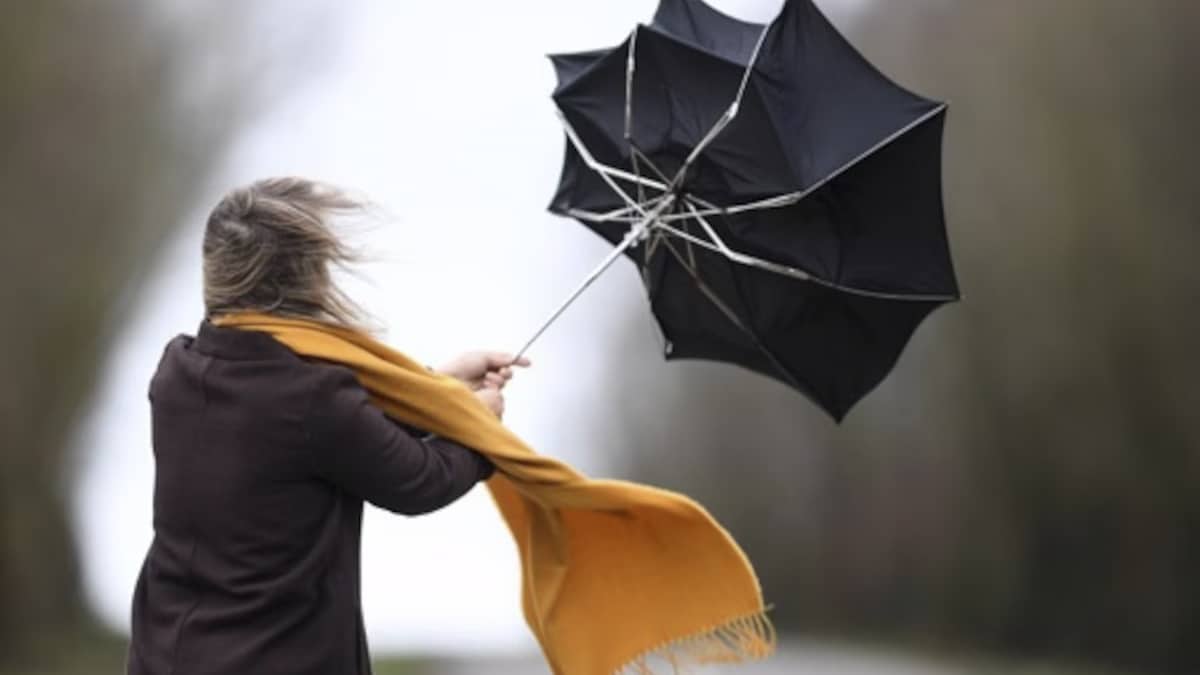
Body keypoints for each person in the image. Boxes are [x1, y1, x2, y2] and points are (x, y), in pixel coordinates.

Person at [126, 177, 528, 675]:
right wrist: (478, 424)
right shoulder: (310, 397)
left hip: (166, 656)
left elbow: (330, 432)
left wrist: (439, 387)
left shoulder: (178, 371)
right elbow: (420, 479)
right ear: (306, 278)